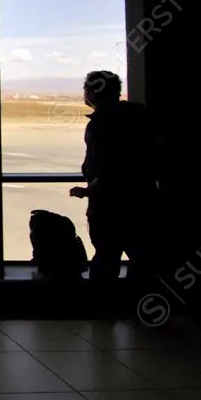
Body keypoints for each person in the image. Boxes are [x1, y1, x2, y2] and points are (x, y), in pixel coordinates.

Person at [69, 70, 157, 281]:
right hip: (143, 202)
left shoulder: (101, 124)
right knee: (141, 259)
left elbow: (110, 167)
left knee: (106, 258)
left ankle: (104, 306)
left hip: (109, 207)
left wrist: (90, 190)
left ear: (92, 93)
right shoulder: (139, 118)